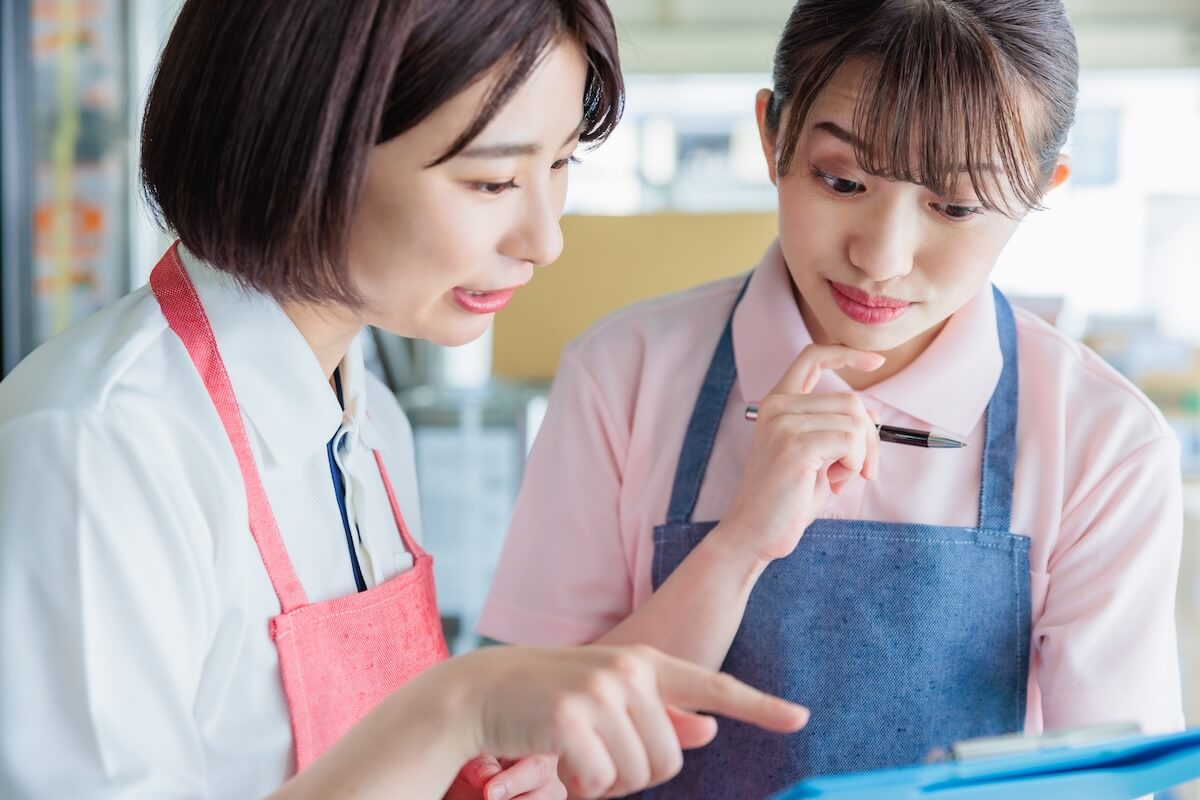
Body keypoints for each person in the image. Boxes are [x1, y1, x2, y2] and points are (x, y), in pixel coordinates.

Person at [0, 2, 809, 798]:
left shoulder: (368, 420)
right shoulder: (96, 445)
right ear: (301, 148)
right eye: (492, 181)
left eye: (562, 164)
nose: (546, 240)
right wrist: (457, 709)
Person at [478, 1, 1186, 797]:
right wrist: (741, 540)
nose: (880, 257)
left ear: (1038, 190)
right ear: (772, 136)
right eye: (841, 180)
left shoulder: (1104, 443)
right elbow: (520, 753)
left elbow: (1120, 784)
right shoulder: (623, 373)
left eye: (955, 206)